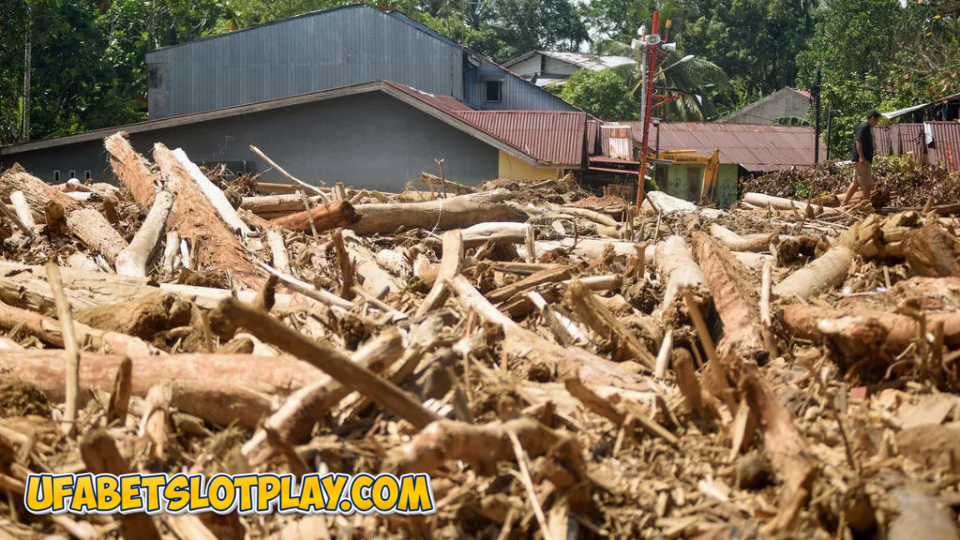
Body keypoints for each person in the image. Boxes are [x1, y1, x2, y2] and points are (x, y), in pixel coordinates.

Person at [842, 111, 881, 206]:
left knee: (856, 182)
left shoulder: (865, 127)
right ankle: (866, 206)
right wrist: (861, 157)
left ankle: (844, 203)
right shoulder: (864, 127)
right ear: (872, 118)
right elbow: (858, 142)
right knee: (867, 184)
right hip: (862, 160)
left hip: (861, 160)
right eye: (876, 120)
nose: (876, 123)